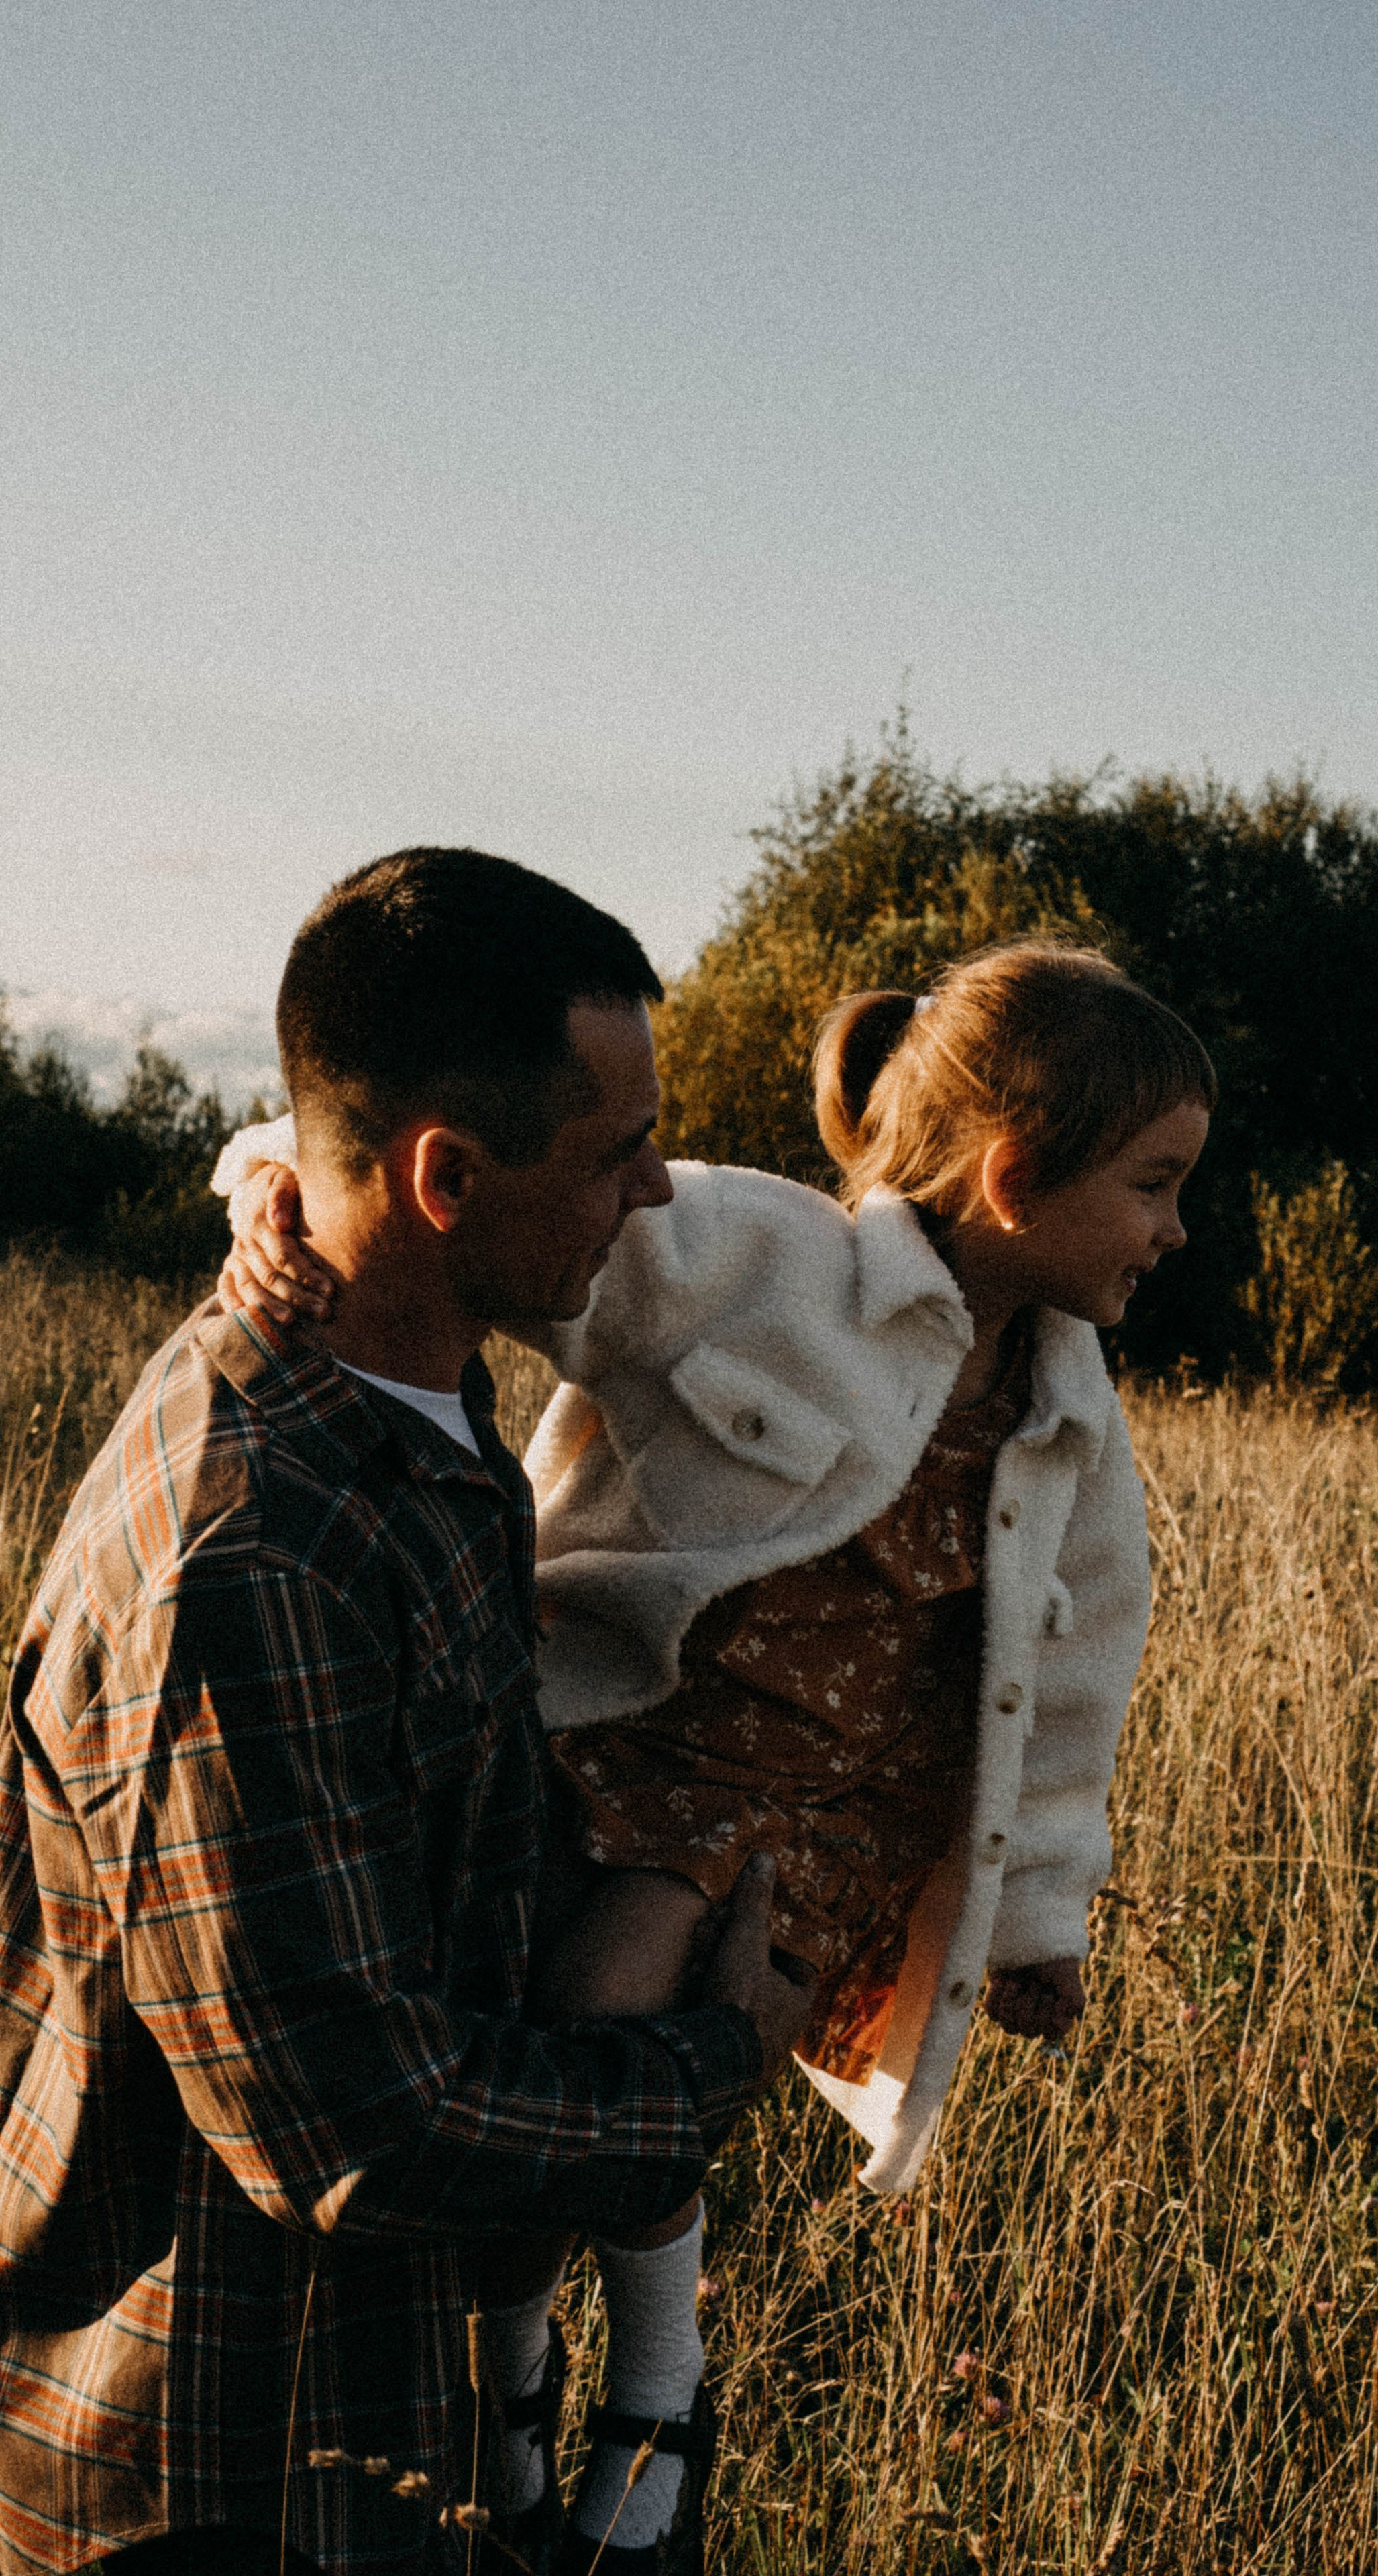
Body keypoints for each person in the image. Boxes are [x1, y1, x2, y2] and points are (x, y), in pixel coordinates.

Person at [219, 938, 1214, 2572]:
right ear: (1019, 1176)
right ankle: (527, 2376)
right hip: (634, 1747)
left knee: (627, 2046)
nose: (1175, 1231)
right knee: (577, 2046)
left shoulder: (1066, 1408)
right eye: (1154, 1186)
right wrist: (275, 1206)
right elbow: (384, 1169)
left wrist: (1038, 1916)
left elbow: (1076, 1664)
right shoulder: (769, 1258)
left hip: (832, 1808)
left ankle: (655, 2384)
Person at [0, 849, 810, 2576]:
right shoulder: (253, 1550)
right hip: (209, 2464)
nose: (655, 1191)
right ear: (446, 1176)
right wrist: (700, 2065)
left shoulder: (421, 1401)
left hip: (367, 2417)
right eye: (611, 1153)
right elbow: (348, 2128)